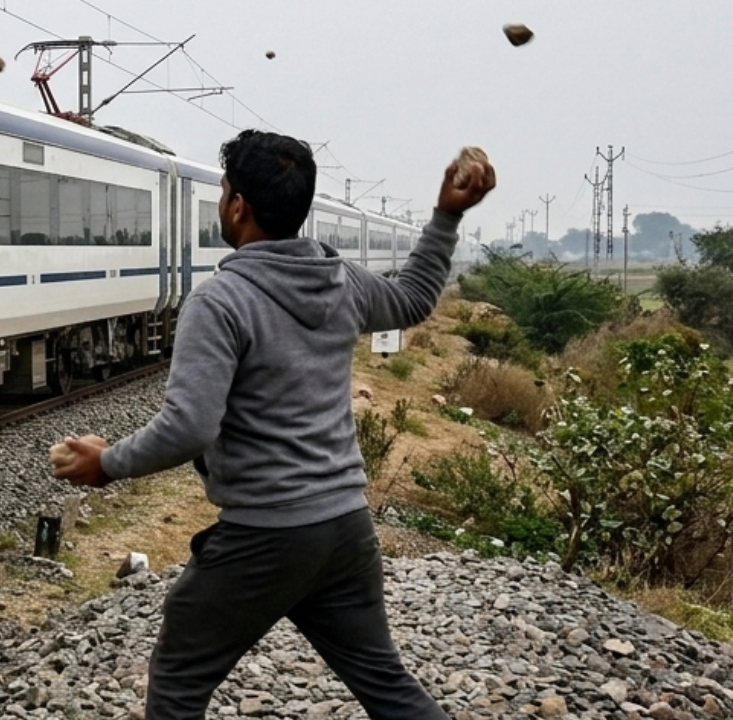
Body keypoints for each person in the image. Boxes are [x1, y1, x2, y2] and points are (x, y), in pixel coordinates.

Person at [51, 129, 495, 720]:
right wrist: (445, 216)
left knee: (179, 679)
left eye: (224, 191)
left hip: (267, 534)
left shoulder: (220, 301)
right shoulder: (338, 279)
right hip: (344, 528)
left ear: (237, 206)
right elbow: (412, 298)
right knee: (384, 682)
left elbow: (189, 427)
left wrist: (104, 463)